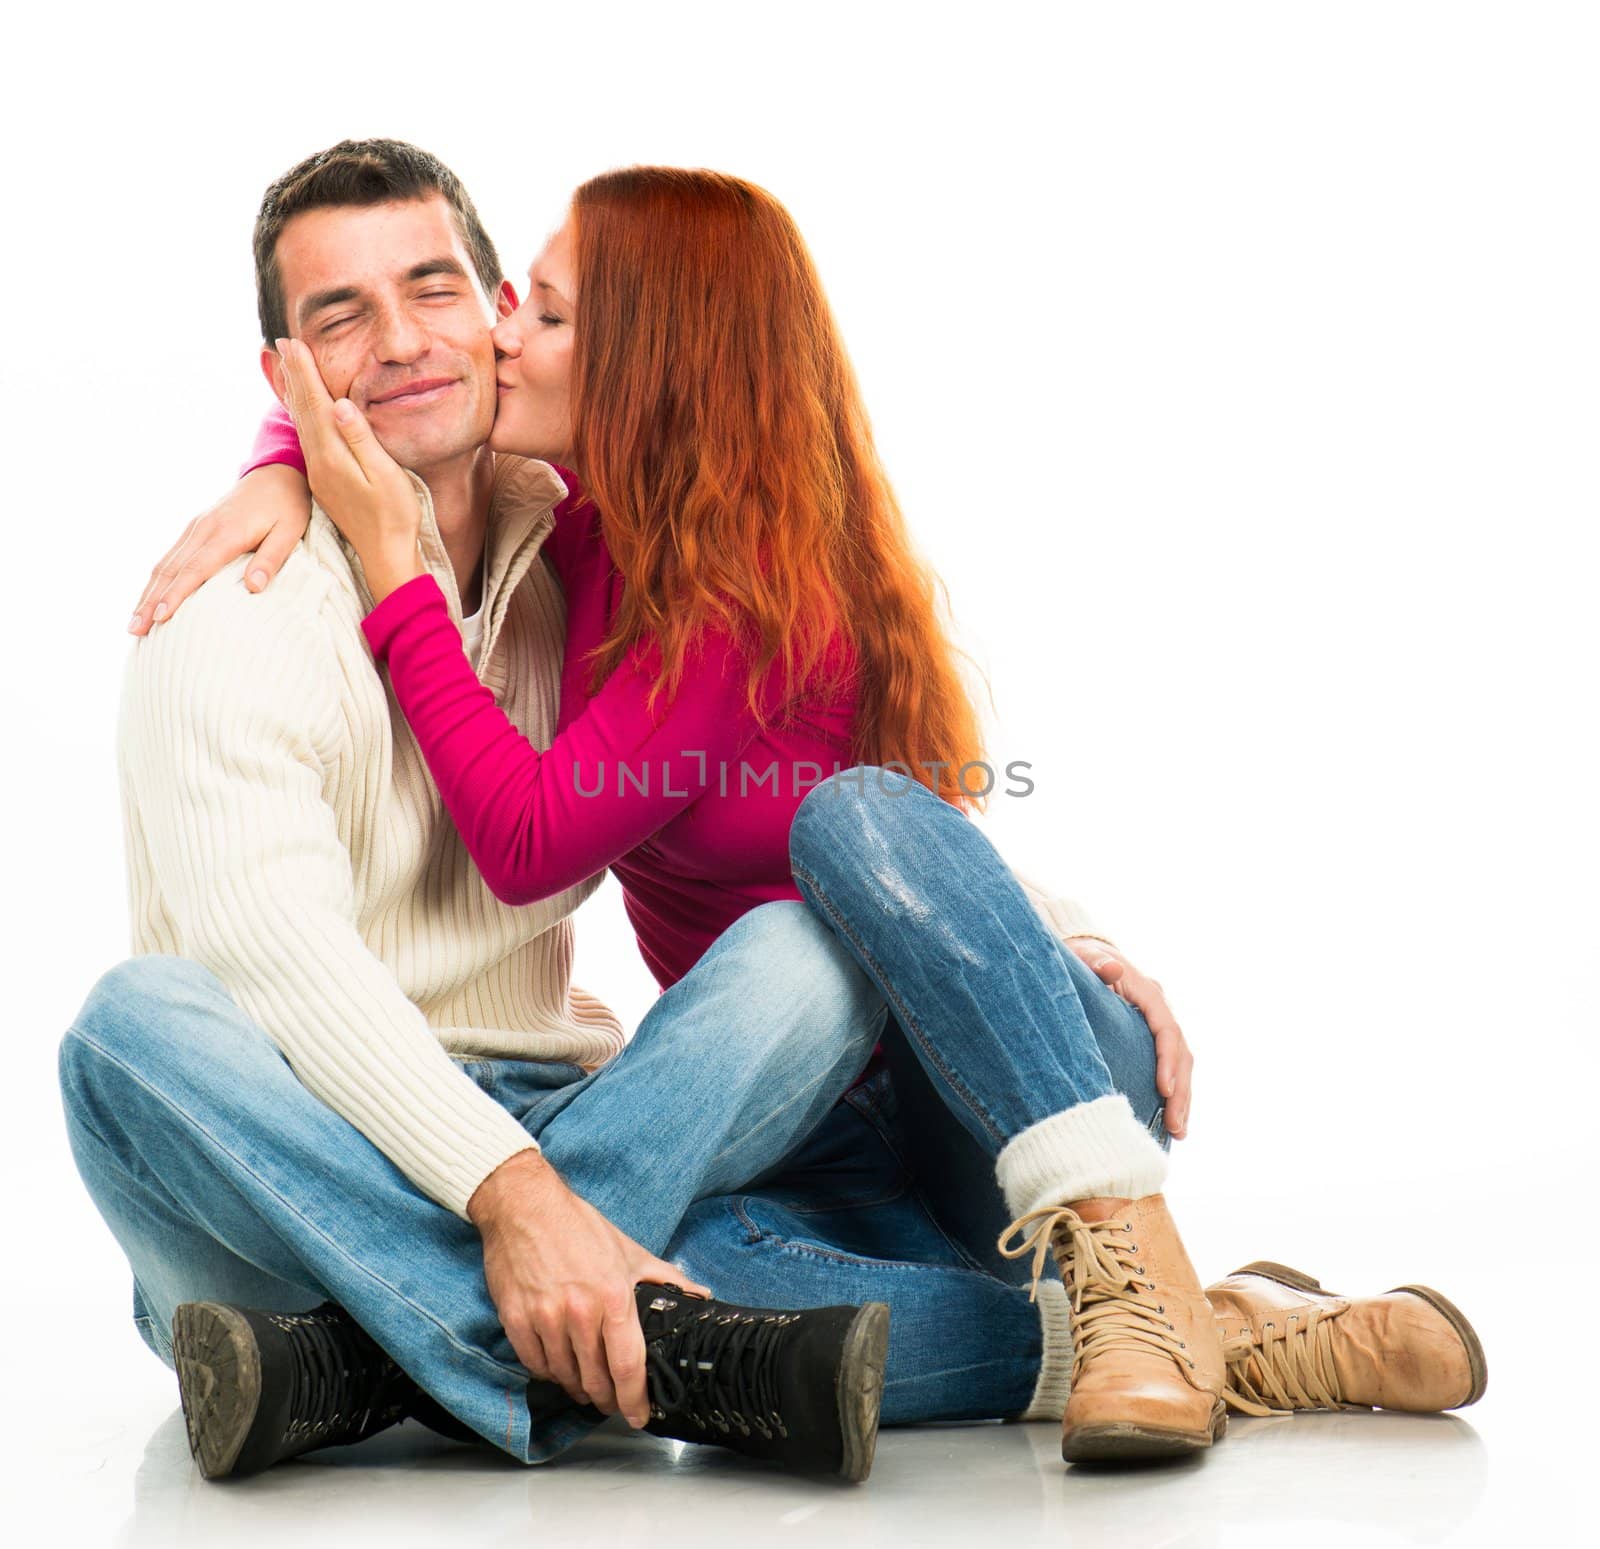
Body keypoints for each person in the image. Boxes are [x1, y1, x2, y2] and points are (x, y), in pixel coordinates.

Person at [119, 143, 1487, 1473]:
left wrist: (1060, 928)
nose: (483, 339)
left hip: (993, 1095)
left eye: (529, 311)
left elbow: (763, 831)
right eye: (506, 304)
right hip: (810, 1136)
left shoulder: (716, 590)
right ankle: (1187, 1334)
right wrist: (280, 461)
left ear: (638, 360)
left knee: (841, 841)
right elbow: (387, 389)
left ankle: (1126, 1248)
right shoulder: (570, 524)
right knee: (679, 1294)